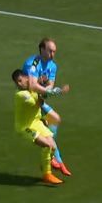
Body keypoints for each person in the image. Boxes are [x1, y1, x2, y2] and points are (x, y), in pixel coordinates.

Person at [21, 38, 71, 176]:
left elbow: (50, 83)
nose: (52, 54)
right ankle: (54, 159)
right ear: (42, 49)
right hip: (28, 100)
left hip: (39, 99)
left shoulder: (52, 65)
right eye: (50, 51)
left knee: (54, 120)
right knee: (52, 120)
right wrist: (48, 91)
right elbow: (31, 85)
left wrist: (49, 90)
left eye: (54, 51)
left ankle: (53, 158)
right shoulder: (33, 64)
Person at [11, 69, 69, 184]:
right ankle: (47, 174)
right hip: (25, 127)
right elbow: (38, 103)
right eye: (16, 82)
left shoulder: (32, 86)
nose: (18, 84)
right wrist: (45, 88)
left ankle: (45, 164)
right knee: (47, 145)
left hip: (36, 122)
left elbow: (44, 91)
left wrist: (48, 86)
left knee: (52, 146)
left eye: (19, 81)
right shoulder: (21, 95)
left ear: (27, 78)